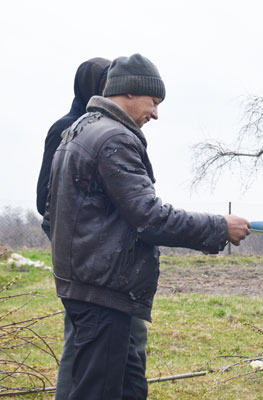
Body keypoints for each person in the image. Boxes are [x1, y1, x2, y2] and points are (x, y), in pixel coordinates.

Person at [43, 53, 250, 399]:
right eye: (153, 102)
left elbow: (50, 213)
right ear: (128, 93)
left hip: (89, 286)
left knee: (129, 389)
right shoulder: (113, 138)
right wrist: (219, 227)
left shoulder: (80, 130)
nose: (155, 113)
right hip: (103, 293)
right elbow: (149, 217)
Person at [36, 57, 151, 400]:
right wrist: (84, 250)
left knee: (129, 353)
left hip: (116, 272)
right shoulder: (74, 129)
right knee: (85, 354)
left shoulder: (111, 130)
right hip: (92, 271)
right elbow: (48, 200)